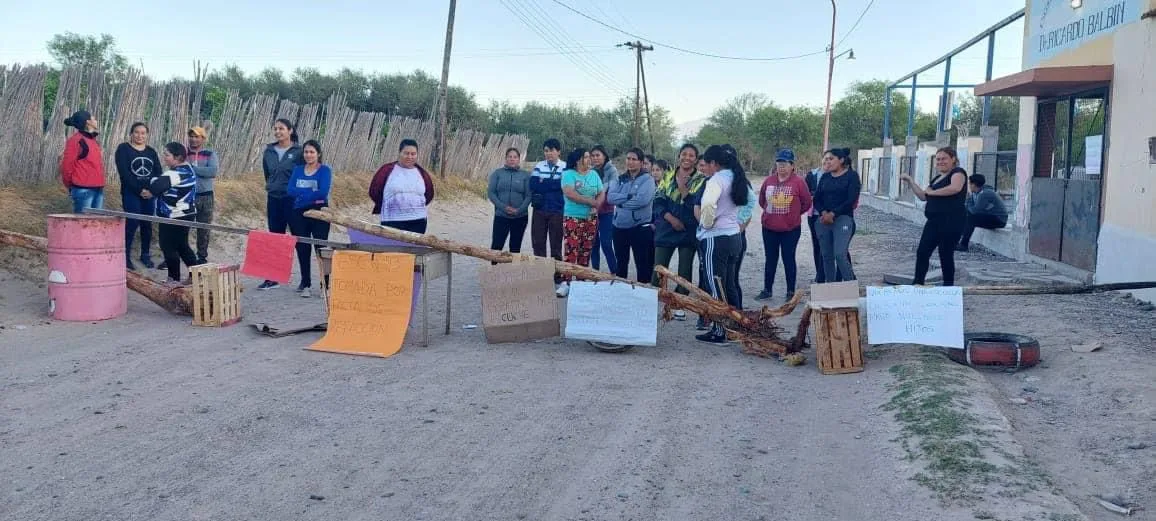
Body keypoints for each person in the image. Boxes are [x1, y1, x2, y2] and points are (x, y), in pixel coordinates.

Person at [694, 144, 750, 344]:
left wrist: (706, 223)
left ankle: (720, 331)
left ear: (714, 163)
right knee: (729, 284)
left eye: (706, 164)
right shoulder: (736, 177)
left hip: (716, 238)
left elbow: (708, 204)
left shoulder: (716, 179)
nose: (704, 168)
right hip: (734, 236)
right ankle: (735, 327)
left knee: (715, 284)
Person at [652, 144, 706, 321]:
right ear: (679, 156)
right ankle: (654, 303)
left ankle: (678, 305)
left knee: (684, 271)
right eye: (684, 154)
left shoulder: (701, 180)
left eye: (691, 155)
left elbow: (695, 205)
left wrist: (684, 190)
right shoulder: (667, 176)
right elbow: (658, 202)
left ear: (696, 159)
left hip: (688, 230)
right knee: (659, 269)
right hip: (667, 228)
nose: (687, 158)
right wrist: (671, 219)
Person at [901, 147, 968, 286]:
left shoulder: (958, 172)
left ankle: (948, 287)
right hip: (934, 221)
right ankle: (918, 283)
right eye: (938, 159)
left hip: (951, 221)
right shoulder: (937, 178)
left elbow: (955, 188)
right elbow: (923, 196)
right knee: (922, 252)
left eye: (944, 158)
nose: (940, 161)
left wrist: (932, 192)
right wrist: (911, 181)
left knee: (945, 254)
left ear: (953, 159)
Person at [757, 149, 812, 301]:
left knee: (788, 258)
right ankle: (767, 289)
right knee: (770, 258)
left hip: (790, 229)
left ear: (792, 165)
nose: (782, 166)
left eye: (785, 163)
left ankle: (790, 291)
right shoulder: (769, 181)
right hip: (769, 228)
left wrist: (793, 214)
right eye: (779, 163)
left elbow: (806, 203)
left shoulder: (799, 182)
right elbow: (762, 200)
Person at [257, 118, 304, 290]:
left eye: (281, 128)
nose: (278, 132)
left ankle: (305, 280)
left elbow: (305, 174)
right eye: (275, 128)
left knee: (298, 237)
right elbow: (267, 173)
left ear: (290, 130)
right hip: (274, 197)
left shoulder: (299, 152)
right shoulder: (269, 151)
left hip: (293, 199)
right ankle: (273, 277)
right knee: (275, 237)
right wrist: (271, 186)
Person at [287, 140, 332, 298]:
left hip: (320, 213)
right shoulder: (298, 170)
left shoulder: (325, 170)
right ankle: (305, 283)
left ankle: (324, 284)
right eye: (306, 152)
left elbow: (323, 192)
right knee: (302, 248)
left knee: (321, 249)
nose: (308, 155)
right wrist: (310, 192)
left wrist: (303, 193)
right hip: (298, 213)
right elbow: (290, 190)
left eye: (312, 152)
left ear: (318, 154)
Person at [149, 142, 200, 285]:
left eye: (167, 155)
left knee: (168, 246)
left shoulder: (174, 173)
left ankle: (173, 278)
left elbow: (155, 188)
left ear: (177, 157)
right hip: (187, 213)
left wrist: (152, 181)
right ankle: (196, 275)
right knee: (182, 245)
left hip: (174, 215)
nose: (164, 157)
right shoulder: (188, 168)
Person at [115, 122, 161, 270]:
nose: (140, 136)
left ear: (147, 135)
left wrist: (152, 191)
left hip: (149, 194)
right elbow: (125, 174)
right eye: (136, 132)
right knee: (132, 222)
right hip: (131, 193)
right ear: (131, 134)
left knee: (147, 224)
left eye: (143, 133)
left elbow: (157, 172)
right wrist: (139, 190)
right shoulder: (123, 149)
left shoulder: (151, 152)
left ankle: (145, 254)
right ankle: (125, 256)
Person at [558, 147, 604, 297]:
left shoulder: (594, 175)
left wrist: (597, 204)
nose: (589, 159)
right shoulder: (568, 174)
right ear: (578, 160)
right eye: (586, 157)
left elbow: (601, 192)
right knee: (572, 249)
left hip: (591, 218)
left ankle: (581, 281)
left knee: (586, 250)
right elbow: (570, 193)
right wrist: (590, 201)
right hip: (573, 217)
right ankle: (566, 282)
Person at [607, 147, 657, 283]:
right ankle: (621, 294)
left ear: (641, 162)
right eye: (628, 158)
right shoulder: (620, 178)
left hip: (639, 228)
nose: (630, 162)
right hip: (619, 227)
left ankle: (643, 295)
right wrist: (630, 196)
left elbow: (642, 200)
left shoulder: (648, 180)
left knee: (642, 265)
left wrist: (621, 202)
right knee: (621, 264)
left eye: (634, 159)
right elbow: (610, 198)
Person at [813, 148, 861, 283]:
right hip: (824, 220)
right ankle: (831, 287)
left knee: (840, 254)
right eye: (826, 159)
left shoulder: (852, 176)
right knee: (826, 256)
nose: (828, 161)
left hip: (843, 219)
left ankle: (851, 285)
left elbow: (851, 199)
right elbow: (817, 199)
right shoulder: (825, 177)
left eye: (831, 158)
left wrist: (833, 213)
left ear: (841, 160)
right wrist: (823, 213)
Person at [369, 138, 436, 234]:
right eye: (406, 153)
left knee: (413, 248)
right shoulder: (387, 170)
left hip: (418, 220)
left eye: (413, 154)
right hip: (392, 220)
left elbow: (429, 194)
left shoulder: (422, 173)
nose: (410, 157)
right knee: (392, 248)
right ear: (400, 153)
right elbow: (374, 191)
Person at [529, 138, 567, 287]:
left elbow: (563, 185)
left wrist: (543, 183)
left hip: (557, 210)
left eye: (551, 150)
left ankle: (557, 276)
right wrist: (553, 185)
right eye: (546, 150)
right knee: (538, 243)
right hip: (539, 210)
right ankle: (541, 276)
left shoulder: (565, 167)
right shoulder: (539, 165)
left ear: (558, 151)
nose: (548, 153)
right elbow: (533, 184)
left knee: (556, 245)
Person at [487, 147, 531, 257]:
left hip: (520, 217)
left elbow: (529, 195)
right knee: (496, 246)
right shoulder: (497, 174)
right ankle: (493, 271)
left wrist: (519, 210)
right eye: (510, 157)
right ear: (506, 159)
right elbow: (491, 193)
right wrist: (503, 207)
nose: (512, 159)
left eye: (515, 157)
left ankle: (513, 272)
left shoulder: (525, 175)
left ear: (519, 159)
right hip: (501, 215)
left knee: (515, 248)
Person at [60, 110, 105, 213]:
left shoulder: (93, 141)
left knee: (96, 225)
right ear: (88, 122)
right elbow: (67, 166)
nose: (96, 120)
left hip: (98, 189)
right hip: (83, 190)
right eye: (93, 118)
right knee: (82, 225)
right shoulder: (76, 140)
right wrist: (71, 185)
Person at [186, 126, 219, 264]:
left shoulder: (210, 153)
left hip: (205, 195)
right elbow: (178, 169)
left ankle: (202, 257)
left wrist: (194, 169)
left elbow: (212, 172)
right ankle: (176, 254)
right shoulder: (183, 153)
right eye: (191, 136)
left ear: (203, 138)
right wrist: (200, 170)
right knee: (182, 226)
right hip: (186, 195)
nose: (193, 139)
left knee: (203, 228)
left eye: (197, 136)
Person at [957, 173, 1008, 251]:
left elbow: (975, 210)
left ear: (974, 184)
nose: (969, 186)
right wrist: (968, 202)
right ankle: (956, 241)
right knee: (965, 216)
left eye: (970, 183)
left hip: (999, 220)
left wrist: (967, 203)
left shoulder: (985, 193)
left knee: (971, 218)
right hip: (990, 217)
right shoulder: (976, 193)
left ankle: (963, 245)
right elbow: (970, 208)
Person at [589, 144, 618, 274]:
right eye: (593, 156)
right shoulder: (590, 171)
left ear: (604, 156)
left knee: (606, 243)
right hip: (593, 211)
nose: (595, 158)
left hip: (607, 212)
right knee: (593, 244)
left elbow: (612, 186)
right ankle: (596, 273)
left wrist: (598, 190)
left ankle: (614, 272)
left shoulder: (612, 170)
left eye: (597, 155)